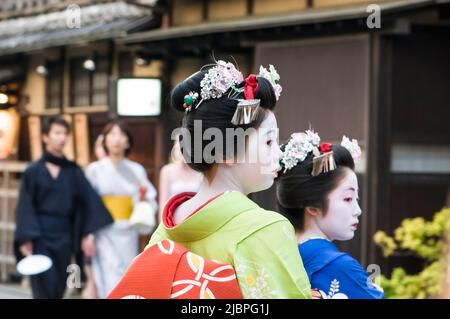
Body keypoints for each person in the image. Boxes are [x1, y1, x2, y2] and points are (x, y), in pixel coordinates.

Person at [116, 60, 311, 298]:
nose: (278, 153)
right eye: (269, 141)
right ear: (226, 152)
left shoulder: (163, 234)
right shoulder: (265, 229)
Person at [14, 116, 113, 299]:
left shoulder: (73, 171)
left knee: (59, 287)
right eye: (57, 133)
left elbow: (88, 203)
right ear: (45, 137)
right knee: (43, 288)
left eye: (65, 133)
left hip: (66, 237)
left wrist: (87, 234)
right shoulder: (33, 171)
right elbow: (25, 206)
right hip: (40, 237)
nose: (62, 138)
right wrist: (26, 237)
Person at [276, 130, 384, 299]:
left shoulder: (277, 257)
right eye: (348, 199)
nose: (358, 210)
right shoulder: (340, 267)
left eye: (356, 198)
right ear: (312, 206)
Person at [85, 120, 158, 299]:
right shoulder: (94, 170)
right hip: (103, 231)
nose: (117, 139)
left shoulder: (136, 170)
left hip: (128, 231)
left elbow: (149, 197)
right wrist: (88, 234)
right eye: (112, 134)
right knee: (107, 278)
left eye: (121, 135)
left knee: (126, 276)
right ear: (105, 140)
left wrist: (143, 206)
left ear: (128, 141)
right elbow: (87, 204)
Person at [158, 134, 202, 222]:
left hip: (195, 221)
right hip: (172, 221)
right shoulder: (167, 171)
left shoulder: (201, 172)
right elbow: (163, 204)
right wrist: (162, 227)